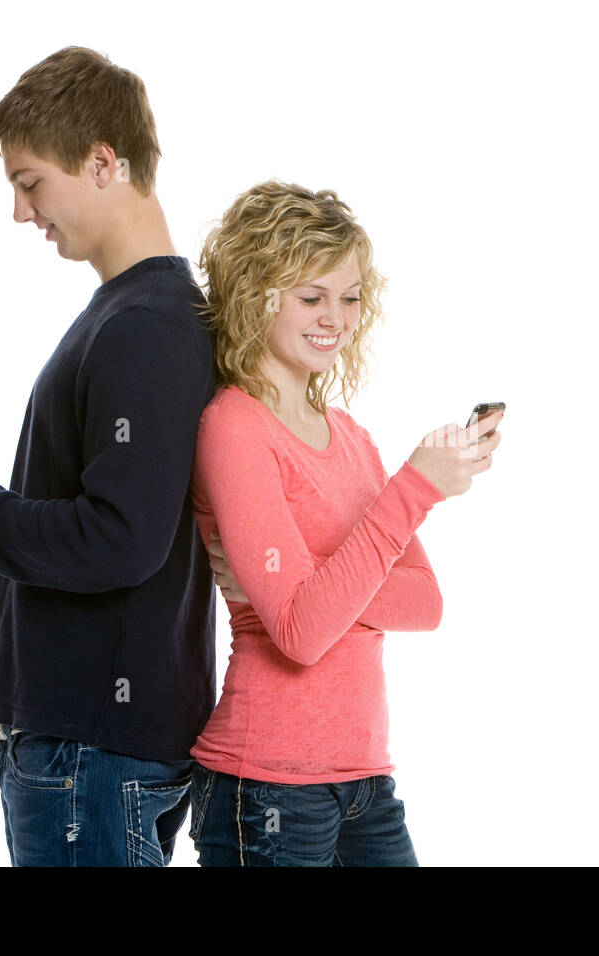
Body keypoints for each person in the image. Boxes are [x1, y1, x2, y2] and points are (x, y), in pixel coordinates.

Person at [0, 46, 217, 866]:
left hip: (90, 751)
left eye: (29, 183)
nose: (22, 213)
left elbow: (119, 539)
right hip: (96, 745)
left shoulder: (145, 327)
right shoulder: (136, 315)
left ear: (101, 163)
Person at [187, 180, 503, 866]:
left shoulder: (352, 437)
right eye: (311, 296)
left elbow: (426, 603)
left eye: (351, 296)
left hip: (365, 783)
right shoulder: (234, 428)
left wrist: (313, 586)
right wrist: (414, 490)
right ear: (255, 296)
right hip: (267, 787)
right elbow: (301, 633)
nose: (336, 316)